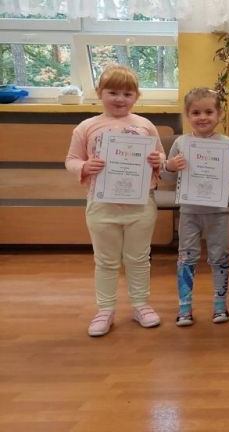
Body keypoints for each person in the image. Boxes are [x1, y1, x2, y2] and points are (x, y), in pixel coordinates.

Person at [65, 64, 165, 337]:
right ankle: (105, 309)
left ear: (136, 97)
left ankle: (140, 304)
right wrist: (84, 167)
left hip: (141, 204)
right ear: (100, 93)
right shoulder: (87, 127)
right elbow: (71, 160)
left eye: (127, 94)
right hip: (102, 206)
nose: (120, 99)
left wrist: (158, 159)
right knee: (106, 260)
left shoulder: (145, 125)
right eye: (113, 92)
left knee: (139, 258)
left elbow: (161, 157)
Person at [161, 88, 229, 326]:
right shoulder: (181, 142)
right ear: (187, 115)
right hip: (189, 211)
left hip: (218, 212)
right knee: (186, 257)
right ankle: (184, 308)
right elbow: (167, 178)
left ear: (219, 114)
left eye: (209, 112)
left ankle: (220, 305)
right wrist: (171, 166)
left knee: (219, 256)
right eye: (196, 113)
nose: (202, 117)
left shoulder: (227, 143)